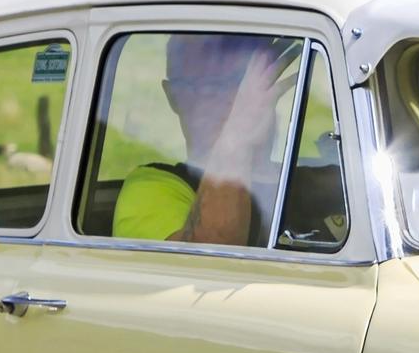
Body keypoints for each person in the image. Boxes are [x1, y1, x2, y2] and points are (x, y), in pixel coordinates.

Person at [112, 33, 289, 246]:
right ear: (173, 95)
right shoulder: (149, 190)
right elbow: (205, 261)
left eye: (235, 80)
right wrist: (236, 138)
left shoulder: (312, 175)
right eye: (206, 85)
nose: (226, 97)